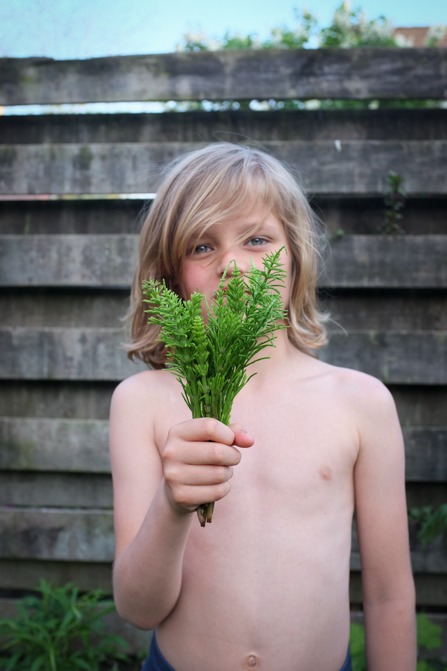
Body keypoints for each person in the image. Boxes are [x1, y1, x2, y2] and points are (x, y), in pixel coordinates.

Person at [109, 143, 416, 671]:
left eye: (257, 239)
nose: (232, 264)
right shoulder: (142, 403)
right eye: (202, 247)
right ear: (171, 274)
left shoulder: (361, 404)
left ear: (294, 257)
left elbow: (389, 596)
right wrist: (173, 504)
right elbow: (138, 609)